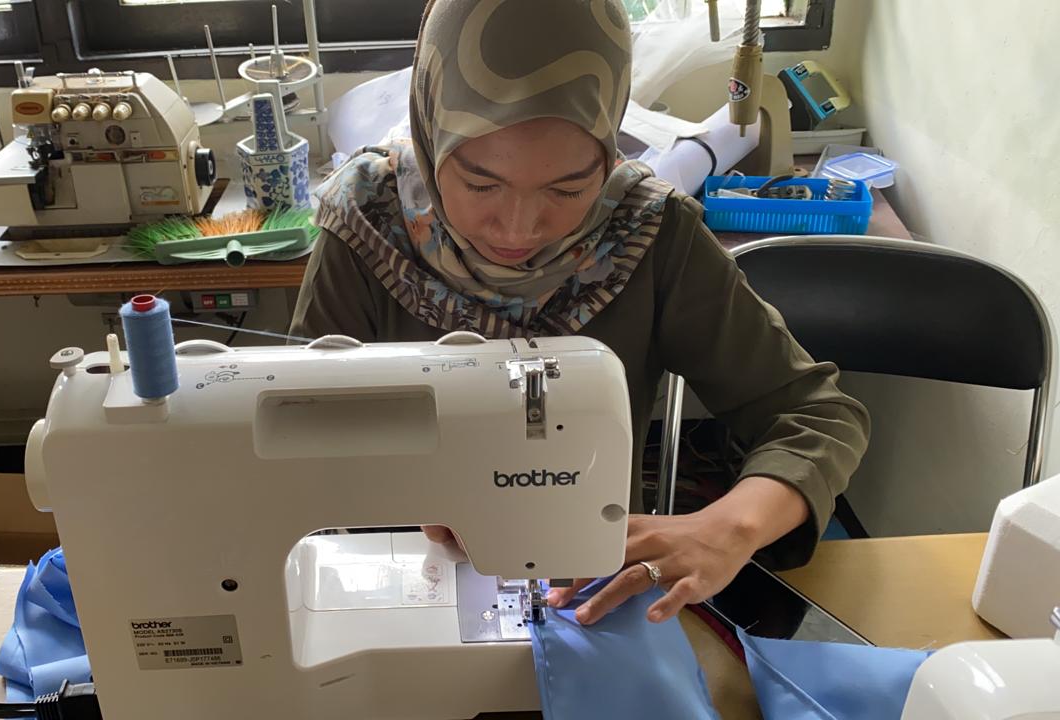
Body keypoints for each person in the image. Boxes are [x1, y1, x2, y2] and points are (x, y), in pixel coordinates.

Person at [291, 0, 869, 627]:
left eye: (568, 189)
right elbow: (301, 425)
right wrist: (397, 486)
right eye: (481, 184)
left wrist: (729, 526)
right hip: (398, 584)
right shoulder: (367, 226)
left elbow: (816, 414)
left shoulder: (648, 234)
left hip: (590, 586)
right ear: (432, 136)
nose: (518, 230)